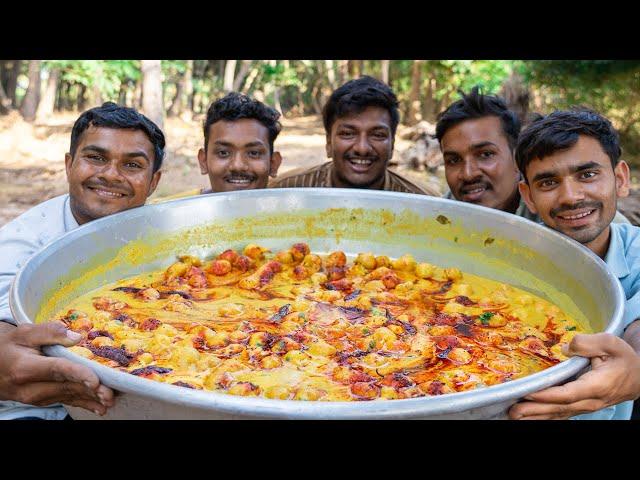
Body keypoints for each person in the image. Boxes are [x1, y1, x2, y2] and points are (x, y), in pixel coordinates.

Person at [0, 102, 165, 419]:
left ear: (154, 181)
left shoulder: (164, 232)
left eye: (132, 165)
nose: (110, 175)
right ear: (69, 164)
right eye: (96, 158)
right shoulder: (21, 246)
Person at [510, 108, 640, 420]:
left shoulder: (636, 251)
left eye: (587, 175)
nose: (570, 196)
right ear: (528, 196)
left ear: (620, 179)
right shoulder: (505, 258)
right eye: (548, 182)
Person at [436, 87, 630, 224]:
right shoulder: (440, 217)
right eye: (453, 160)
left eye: (485, 154)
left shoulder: (577, 217)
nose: (468, 174)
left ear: (517, 158)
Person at [270, 76, 438, 195]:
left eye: (377, 135)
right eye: (348, 134)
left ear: (393, 144)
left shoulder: (424, 203)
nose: (362, 148)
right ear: (328, 142)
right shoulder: (285, 191)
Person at [153, 92, 283, 203]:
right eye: (223, 153)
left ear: (273, 163)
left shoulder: (293, 213)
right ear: (203, 161)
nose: (237, 166)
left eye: (253, 153)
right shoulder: (171, 215)